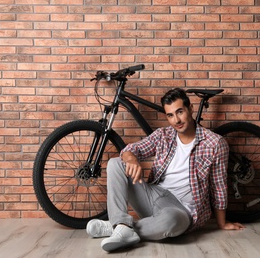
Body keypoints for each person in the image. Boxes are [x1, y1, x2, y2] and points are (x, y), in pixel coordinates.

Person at [86, 88, 245, 252]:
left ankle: (119, 227)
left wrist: (222, 223)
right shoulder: (163, 135)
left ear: (190, 109)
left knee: (171, 222)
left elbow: (219, 185)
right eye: (170, 115)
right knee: (115, 163)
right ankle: (121, 223)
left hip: (181, 210)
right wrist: (131, 158)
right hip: (153, 195)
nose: (176, 120)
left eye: (180, 112)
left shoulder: (215, 143)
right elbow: (133, 149)